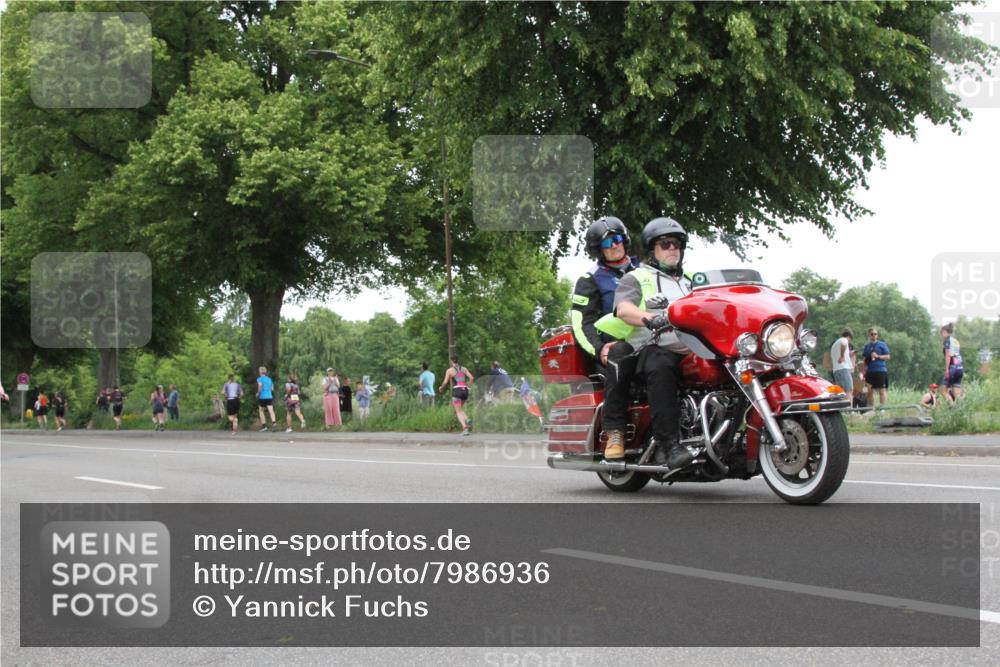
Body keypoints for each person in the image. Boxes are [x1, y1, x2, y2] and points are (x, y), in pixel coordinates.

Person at [596, 217, 694, 468]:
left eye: (677, 244)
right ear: (653, 250)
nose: (673, 248)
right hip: (650, 347)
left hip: (695, 348)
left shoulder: (693, 280)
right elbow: (624, 308)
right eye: (666, 244)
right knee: (660, 364)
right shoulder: (637, 277)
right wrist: (648, 318)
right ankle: (668, 446)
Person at [571, 216, 640, 372]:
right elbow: (582, 324)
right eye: (607, 243)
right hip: (618, 348)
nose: (614, 245)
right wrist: (599, 349)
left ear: (624, 240)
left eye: (617, 239)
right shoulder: (590, 279)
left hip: (651, 341)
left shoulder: (644, 271)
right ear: (598, 249)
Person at [439, 355, 475, 435]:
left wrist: (441, 388)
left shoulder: (449, 371)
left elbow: (445, 382)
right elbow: (472, 378)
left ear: (451, 361)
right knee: (458, 410)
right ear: (457, 360)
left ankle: (465, 428)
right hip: (465, 391)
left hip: (457, 392)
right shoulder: (464, 369)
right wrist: (467, 384)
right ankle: (468, 420)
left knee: (458, 412)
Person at [862, 328, 891, 407]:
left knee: (882, 391)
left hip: (880, 370)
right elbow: (864, 360)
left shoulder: (882, 344)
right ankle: (871, 409)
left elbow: (888, 356)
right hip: (870, 371)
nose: (874, 336)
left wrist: (878, 356)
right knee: (869, 392)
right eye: (872, 334)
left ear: (877, 335)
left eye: (875, 334)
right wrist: (863, 372)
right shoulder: (867, 347)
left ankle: (882, 409)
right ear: (869, 335)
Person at [940, 323, 964, 403]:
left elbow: (948, 356)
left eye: (941, 332)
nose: (941, 335)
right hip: (960, 368)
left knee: (943, 391)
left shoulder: (947, 340)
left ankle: (952, 408)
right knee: (957, 394)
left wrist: (947, 369)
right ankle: (960, 411)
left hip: (952, 368)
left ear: (944, 331)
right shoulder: (956, 341)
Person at [830, 329, 855, 397]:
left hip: (836, 371)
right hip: (843, 369)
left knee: (841, 393)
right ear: (849, 337)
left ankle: (843, 407)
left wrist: (847, 355)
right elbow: (844, 344)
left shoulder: (835, 344)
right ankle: (849, 407)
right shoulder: (844, 340)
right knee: (849, 391)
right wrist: (842, 356)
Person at [256, 366, 278, 431]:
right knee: (271, 410)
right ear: (265, 372)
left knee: (261, 411)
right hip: (269, 396)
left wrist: (258, 393)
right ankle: (274, 424)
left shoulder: (259, 379)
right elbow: (272, 389)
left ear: (260, 372)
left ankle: (264, 426)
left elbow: (260, 386)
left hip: (262, 397)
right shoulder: (269, 379)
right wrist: (268, 391)